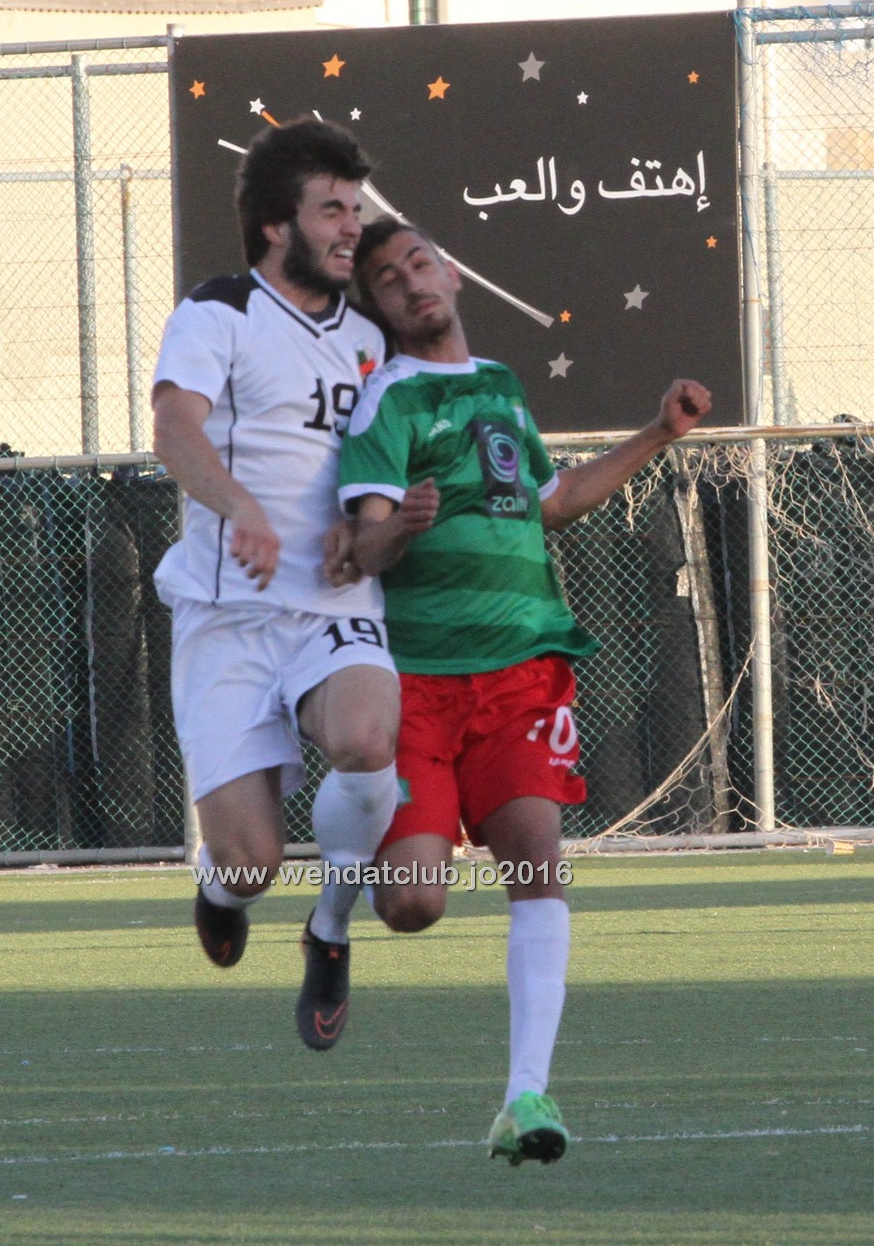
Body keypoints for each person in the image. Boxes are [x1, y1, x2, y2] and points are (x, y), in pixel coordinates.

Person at [338, 216, 712, 1163]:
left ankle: (525, 1096)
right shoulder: (386, 400)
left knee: (539, 862)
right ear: (377, 306)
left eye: (419, 264)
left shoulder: (501, 385)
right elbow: (361, 549)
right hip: (416, 685)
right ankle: (342, 876)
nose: (411, 282)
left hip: (520, 674)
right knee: (412, 905)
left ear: (452, 274)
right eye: (389, 279)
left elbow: (553, 503)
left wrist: (658, 434)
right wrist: (402, 527)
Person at [151, 119, 401, 1052]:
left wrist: (367, 529)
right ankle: (222, 890)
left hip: (334, 606)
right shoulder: (218, 312)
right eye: (331, 209)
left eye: (354, 208)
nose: (351, 227)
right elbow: (175, 432)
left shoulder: (372, 337)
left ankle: (330, 930)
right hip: (226, 618)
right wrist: (242, 508)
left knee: (366, 737)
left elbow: (390, 460)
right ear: (274, 225)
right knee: (252, 863)